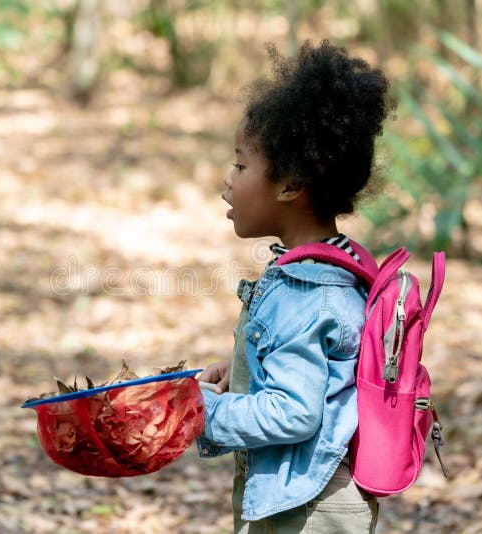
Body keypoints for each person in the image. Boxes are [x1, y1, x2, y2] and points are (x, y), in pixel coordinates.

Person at [196, 40, 395, 533]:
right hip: (313, 500)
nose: (226, 181)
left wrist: (196, 410)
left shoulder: (304, 288)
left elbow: (293, 414)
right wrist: (243, 369)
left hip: (307, 513)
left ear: (290, 186)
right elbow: (316, 370)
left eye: (241, 166)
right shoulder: (335, 265)